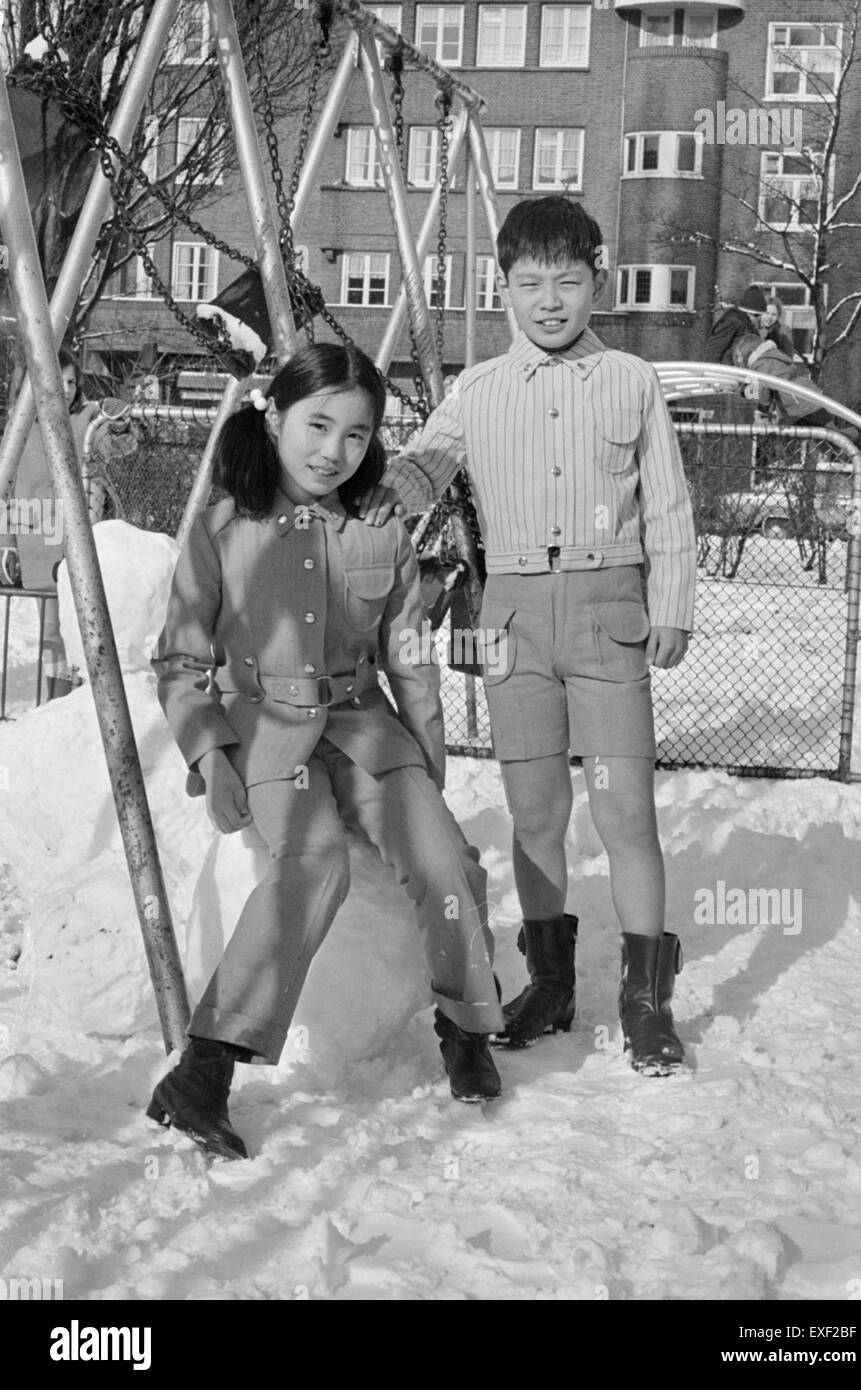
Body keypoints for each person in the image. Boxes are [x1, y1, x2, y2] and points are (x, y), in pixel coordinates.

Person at [149, 343, 504, 1162]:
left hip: (363, 726)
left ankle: (465, 1025)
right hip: (267, 730)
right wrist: (211, 758)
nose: (332, 451)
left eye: (355, 434)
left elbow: (409, 654)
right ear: (274, 419)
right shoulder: (224, 524)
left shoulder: (379, 526)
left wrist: (425, 772)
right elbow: (179, 659)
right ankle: (203, 1070)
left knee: (446, 862)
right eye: (316, 425)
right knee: (312, 864)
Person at [373, 197, 696, 1076]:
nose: (549, 301)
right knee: (537, 812)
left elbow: (667, 504)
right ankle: (549, 986)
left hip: (609, 614)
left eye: (567, 281)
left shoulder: (631, 380)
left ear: (597, 280)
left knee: (626, 809)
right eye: (529, 284)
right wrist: (333, 472)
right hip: (511, 620)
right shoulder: (475, 390)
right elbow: (414, 478)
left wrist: (671, 603)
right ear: (505, 289)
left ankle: (644, 1003)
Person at [0, 349, 134, 698]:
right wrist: (6, 542)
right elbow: (5, 487)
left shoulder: (84, 418)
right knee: (52, 629)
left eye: (73, 381)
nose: (67, 388)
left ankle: (67, 698)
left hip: (76, 533)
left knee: (74, 624)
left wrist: (119, 423)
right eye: (60, 380)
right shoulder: (20, 426)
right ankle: (56, 697)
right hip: (35, 536)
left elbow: (120, 445)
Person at [703, 284, 767, 364]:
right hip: (727, 372)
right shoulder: (733, 322)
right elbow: (714, 349)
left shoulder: (749, 326)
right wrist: (712, 372)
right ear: (748, 313)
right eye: (757, 315)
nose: (758, 319)